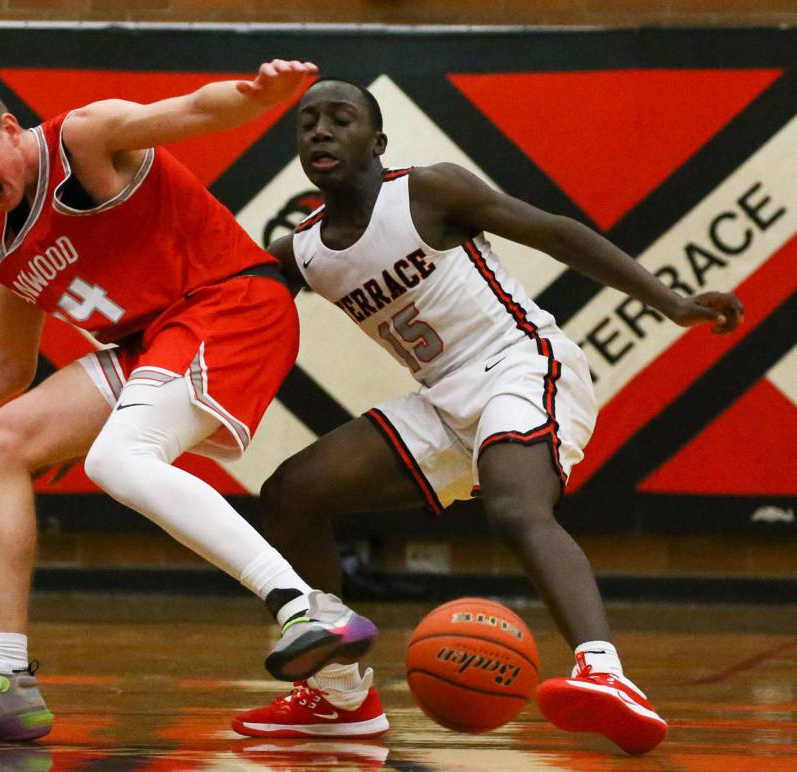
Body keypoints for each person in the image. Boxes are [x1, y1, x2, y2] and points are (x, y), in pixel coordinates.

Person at [0, 64, 379, 743]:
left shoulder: (86, 140)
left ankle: (306, 609)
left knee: (119, 458)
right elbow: (5, 368)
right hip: (149, 343)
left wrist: (257, 96)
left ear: (9, 128)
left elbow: (192, 109)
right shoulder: (3, 240)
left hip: (228, 305)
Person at [232, 79, 744, 754]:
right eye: (307, 123)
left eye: (340, 119)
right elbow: (233, 311)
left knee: (513, 508)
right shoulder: (300, 250)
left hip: (521, 363)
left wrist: (669, 302)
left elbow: (558, 234)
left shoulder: (429, 190)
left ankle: (605, 672)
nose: (320, 131)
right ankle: (340, 696)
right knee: (291, 494)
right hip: (441, 399)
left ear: (378, 142)